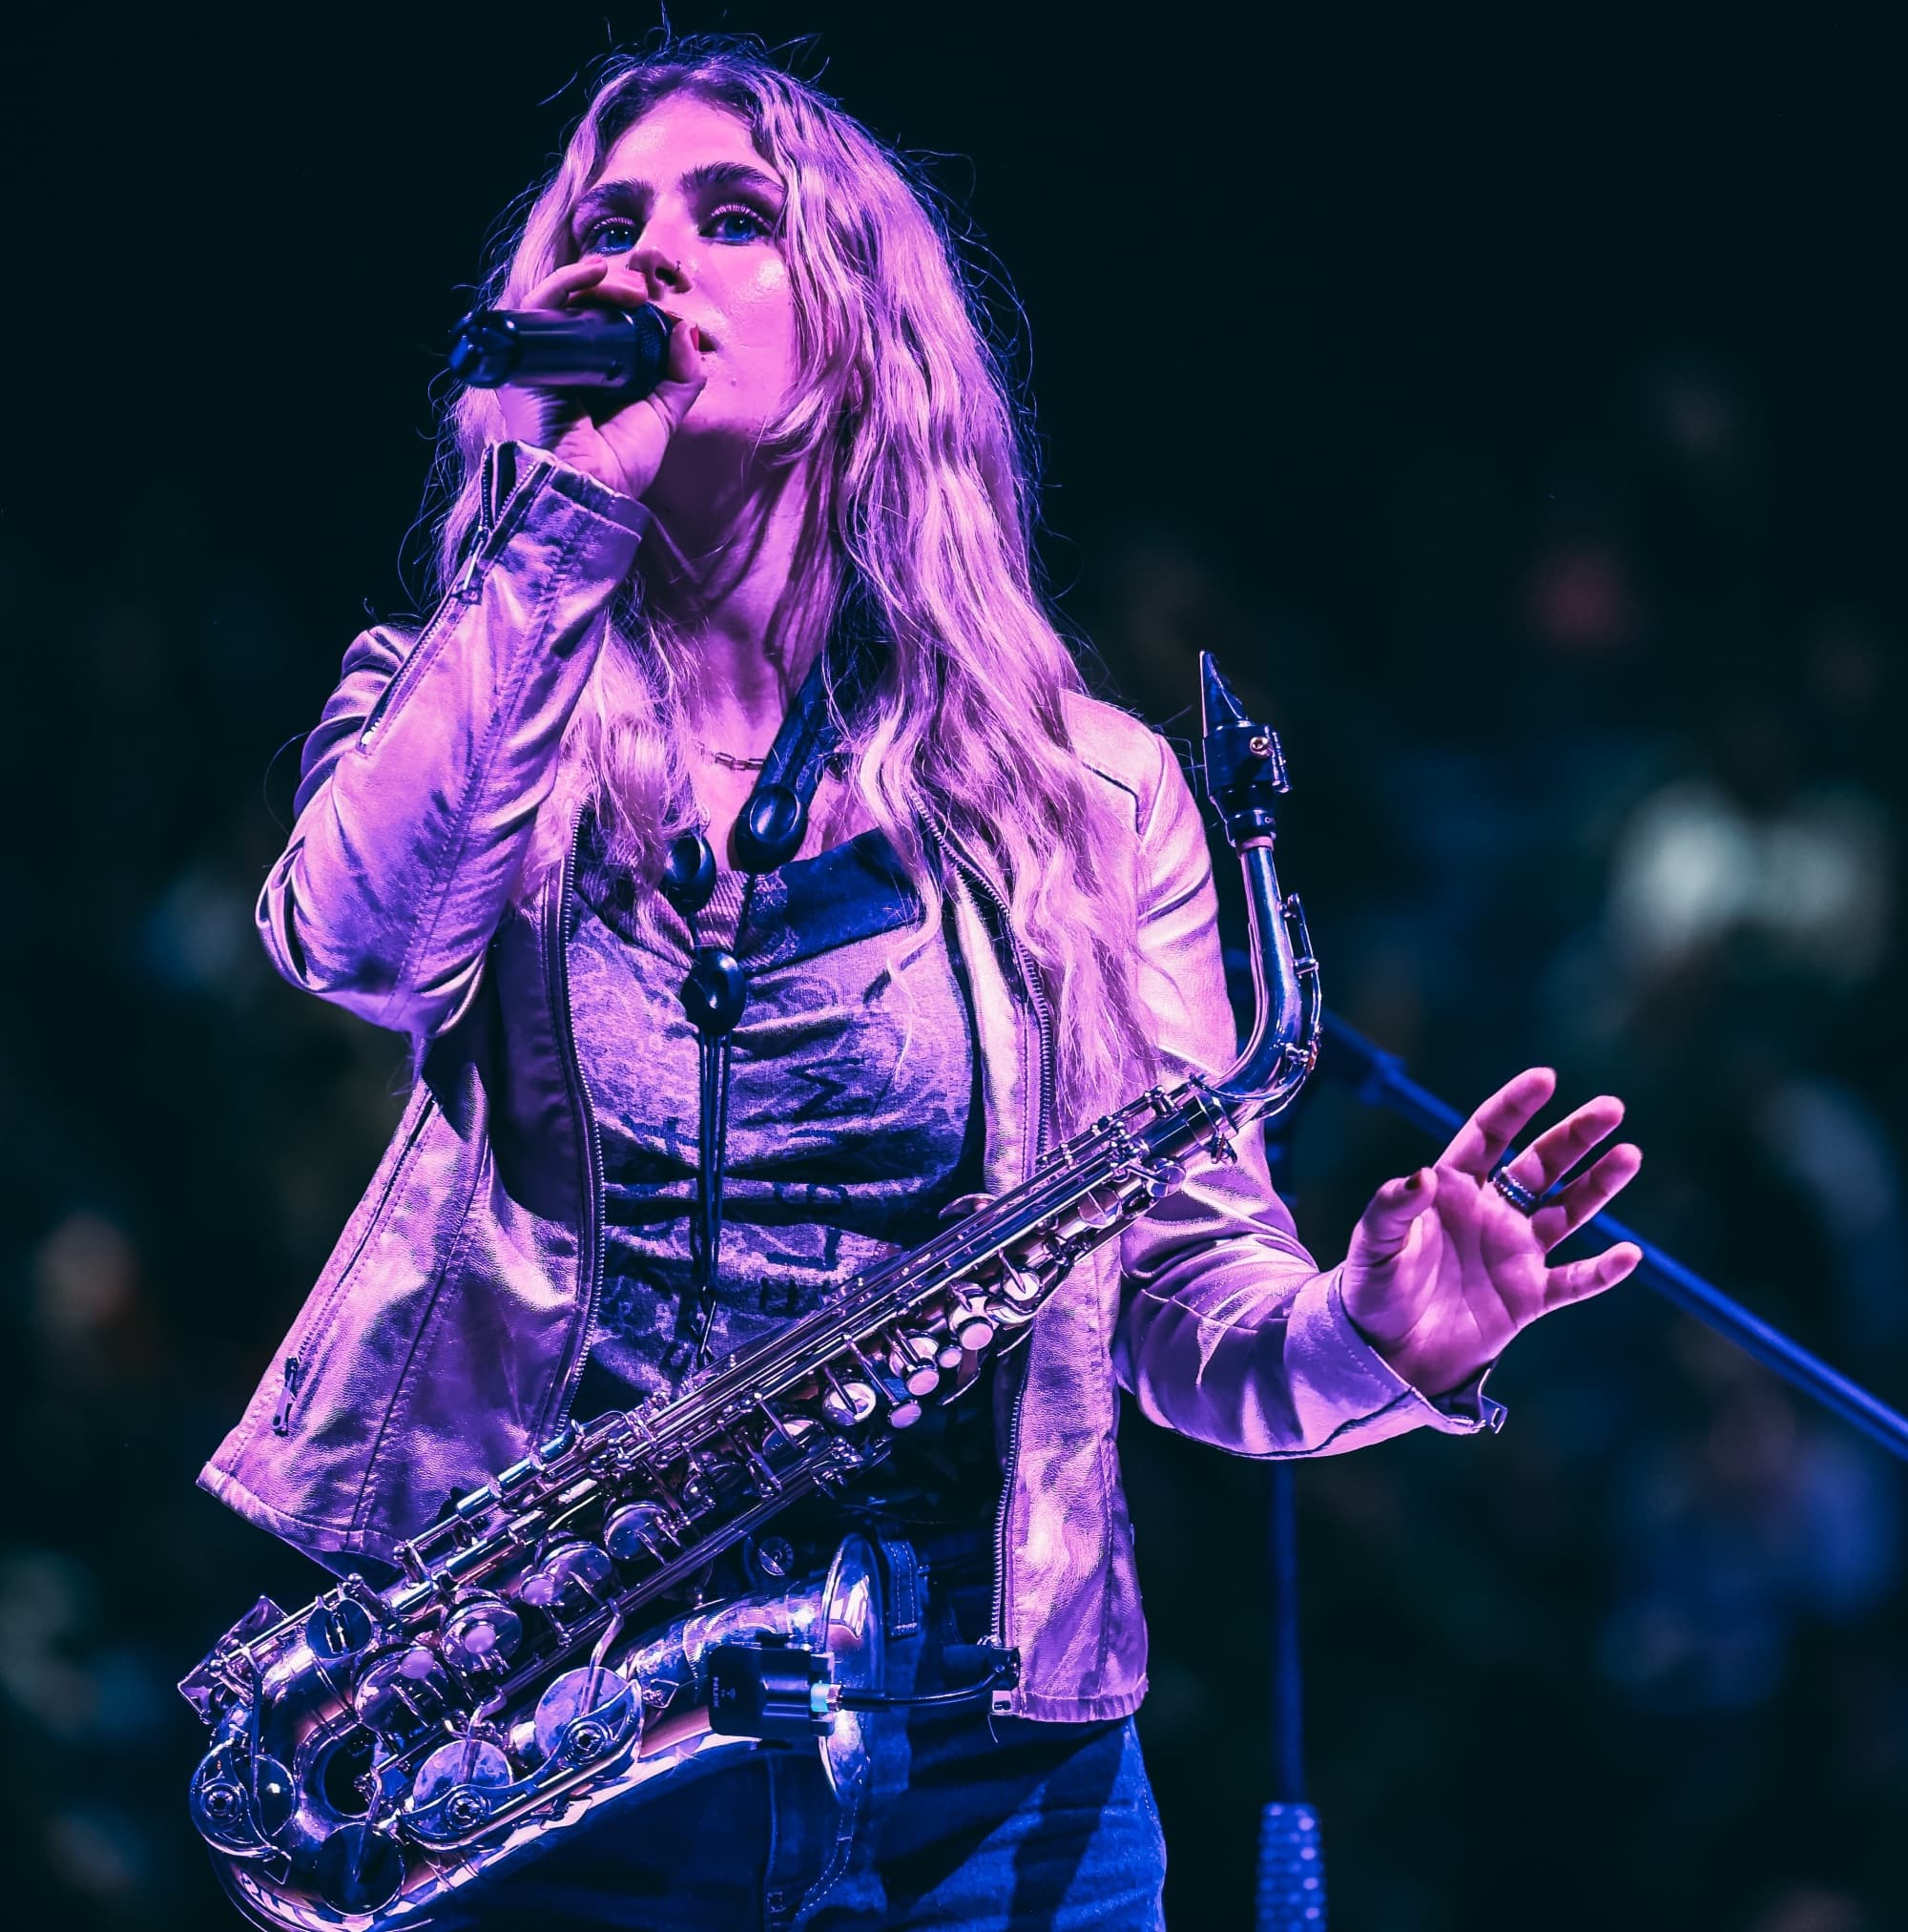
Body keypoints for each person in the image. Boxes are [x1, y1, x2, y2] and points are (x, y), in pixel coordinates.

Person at [197, 37, 1644, 1931]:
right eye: (603, 225)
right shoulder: (452, 692)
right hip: (539, 1739)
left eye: (733, 220)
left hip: (983, 1768)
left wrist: (1375, 1341)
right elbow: (358, 945)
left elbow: (1186, 1296)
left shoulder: (1092, 791)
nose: (648, 262)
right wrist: (557, 521)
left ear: (867, 334)